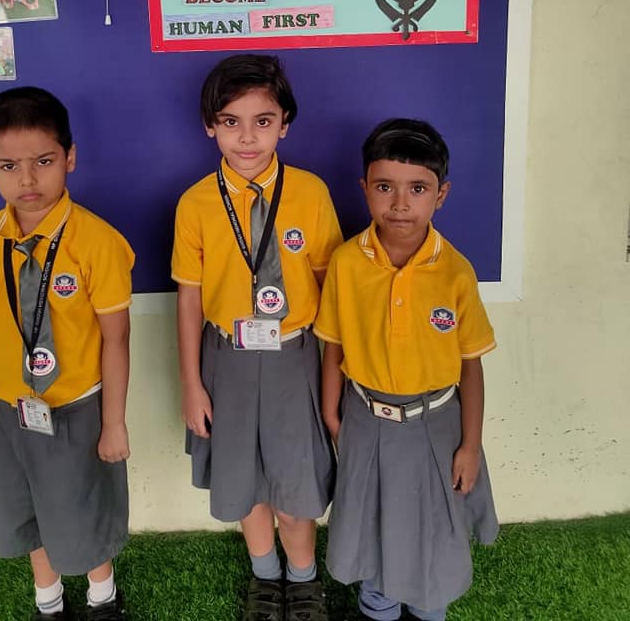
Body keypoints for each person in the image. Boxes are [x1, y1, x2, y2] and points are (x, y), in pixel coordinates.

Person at [172, 54, 343, 621]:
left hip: (297, 356)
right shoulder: (195, 203)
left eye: (263, 121)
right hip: (227, 358)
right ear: (210, 126)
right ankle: (265, 578)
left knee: (295, 483)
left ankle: (304, 580)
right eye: (231, 122)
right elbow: (190, 298)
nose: (247, 137)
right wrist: (192, 384)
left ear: (284, 124)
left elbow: (331, 289)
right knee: (245, 482)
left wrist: (336, 377)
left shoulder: (310, 193)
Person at [0, 86, 135, 621]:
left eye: (43, 161)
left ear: (70, 158)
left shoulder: (97, 242)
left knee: (83, 508)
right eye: (9, 166)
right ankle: (49, 600)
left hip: (76, 409)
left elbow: (116, 338)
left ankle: (102, 597)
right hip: (9, 410)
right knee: (28, 510)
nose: (27, 180)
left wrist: (114, 423)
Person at [315, 118, 498, 621]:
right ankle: (378, 606)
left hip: (436, 426)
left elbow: (471, 365)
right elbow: (332, 346)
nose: (400, 203)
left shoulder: (455, 271)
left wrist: (470, 445)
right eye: (385, 187)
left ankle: (428, 607)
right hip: (364, 419)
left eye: (417, 188)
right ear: (365, 189)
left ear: (441, 195)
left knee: (432, 532)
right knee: (373, 530)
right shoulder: (347, 263)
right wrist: (332, 416)